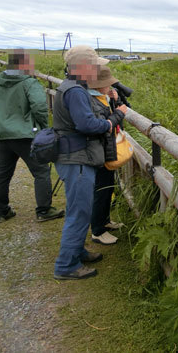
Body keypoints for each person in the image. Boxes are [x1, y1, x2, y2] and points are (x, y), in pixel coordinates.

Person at [52, 45, 126, 280]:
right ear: (83, 67)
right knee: (79, 212)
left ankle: (77, 252)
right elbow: (87, 125)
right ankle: (66, 266)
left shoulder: (72, 87)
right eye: (93, 65)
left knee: (79, 209)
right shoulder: (75, 91)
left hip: (74, 156)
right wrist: (114, 118)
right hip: (78, 159)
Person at [0, 49, 64, 223]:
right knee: (41, 171)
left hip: (2, 134)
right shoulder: (29, 83)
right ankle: (44, 210)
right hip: (25, 134)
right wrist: (43, 127)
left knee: (2, 174)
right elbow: (40, 107)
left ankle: (1, 211)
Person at [87, 66, 127, 245]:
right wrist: (119, 112)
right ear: (98, 85)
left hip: (105, 150)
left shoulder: (101, 98)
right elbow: (103, 125)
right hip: (98, 151)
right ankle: (97, 230)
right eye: (108, 84)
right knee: (101, 190)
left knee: (108, 186)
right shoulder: (92, 101)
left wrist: (115, 103)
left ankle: (105, 221)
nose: (111, 87)